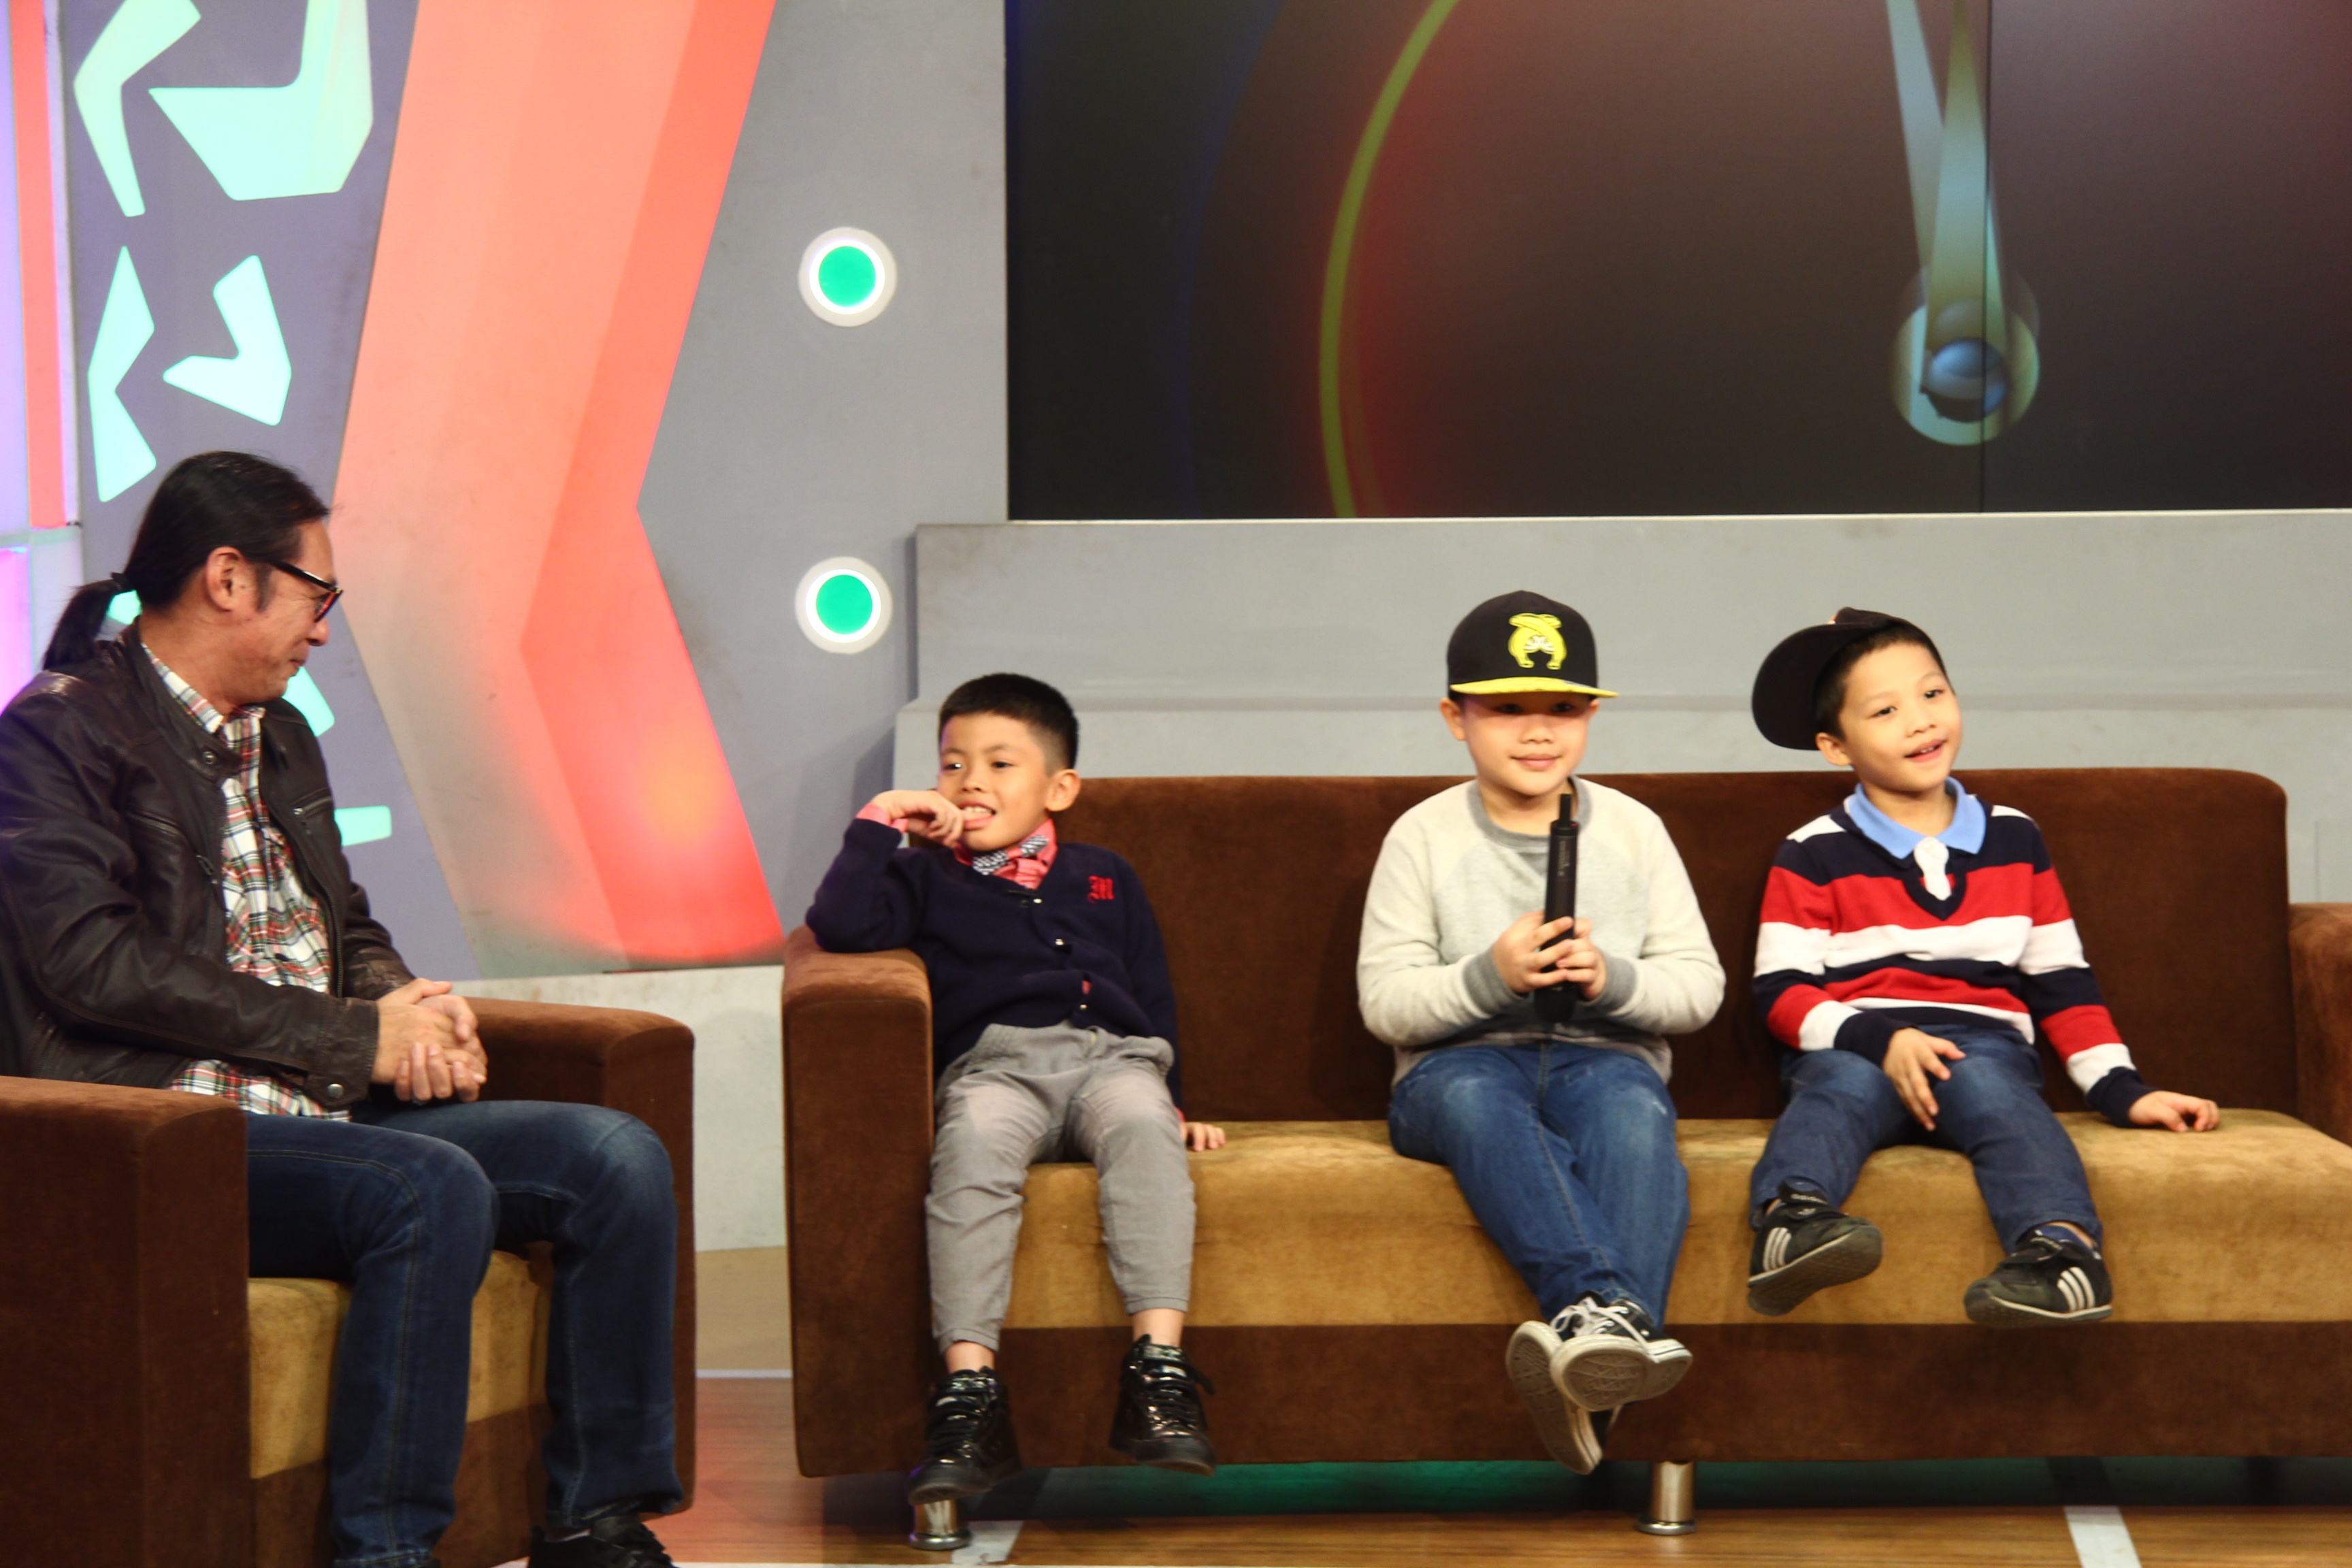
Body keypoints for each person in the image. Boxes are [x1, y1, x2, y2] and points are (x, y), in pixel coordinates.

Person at [0, 453, 683, 1568]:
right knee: (428, 1186)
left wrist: (402, 1001)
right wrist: (356, 1037)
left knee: (616, 1157)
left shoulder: (281, 732)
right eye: (317, 595)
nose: (324, 630)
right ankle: (386, 1553)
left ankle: (594, 1519)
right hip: (173, 1125)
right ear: (230, 578)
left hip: (313, 1095)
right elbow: (92, 965)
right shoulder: (60, 731)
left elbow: (340, 919)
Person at [804, 672, 1223, 1506]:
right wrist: (883, 818)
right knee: (970, 1149)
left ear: (1059, 788)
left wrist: (1178, 1099)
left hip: (1114, 1060)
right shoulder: (925, 876)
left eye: (1000, 764)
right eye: (952, 764)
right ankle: (969, 1393)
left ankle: (1158, 1371)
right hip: (998, 1067)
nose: (971, 782)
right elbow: (840, 926)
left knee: (1144, 1131)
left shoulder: (1106, 874)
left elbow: (1152, 990)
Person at [1743, 608, 2219, 1326]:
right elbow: (1781, 992)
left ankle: (2062, 1254)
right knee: (1836, 1092)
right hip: (1860, 1042)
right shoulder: (1812, 850)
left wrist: (2122, 1089)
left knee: (1998, 1095)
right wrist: (1880, 1040)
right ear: (1836, 747)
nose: (1920, 720)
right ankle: (1793, 1222)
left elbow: (2063, 982)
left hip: (1980, 1044)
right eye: (1885, 710)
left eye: (1933, 693)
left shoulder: (2015, 837)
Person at [1357, 591, 1725, 1474]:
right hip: (1458, 1068)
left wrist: (1610, 978)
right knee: (1480, 1102)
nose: (1537, 731)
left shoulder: (1635, 830)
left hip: (1606, 1058)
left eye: (1562, 707)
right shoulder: (1421, 835)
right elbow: (1387, 1003)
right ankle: (1603, 1312)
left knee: (1635, 1116)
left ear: (1590, 716)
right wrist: (1492, 974)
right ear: (1455, 718)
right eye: (1506, 708)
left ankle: (1590, 1375)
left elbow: (1699, 989)